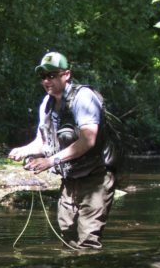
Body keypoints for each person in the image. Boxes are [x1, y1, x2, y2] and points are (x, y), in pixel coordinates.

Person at [7, 50, 117, 250]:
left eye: (52, 75)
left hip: (96, 178)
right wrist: (24, 150)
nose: (46, 81)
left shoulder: (83, 98)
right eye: (43, 76)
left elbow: (88, 140)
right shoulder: (47, 104)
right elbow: (43, 142)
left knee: (88, 241)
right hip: (70, 180)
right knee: (67, 237)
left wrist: (51, 161)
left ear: (66, 74)